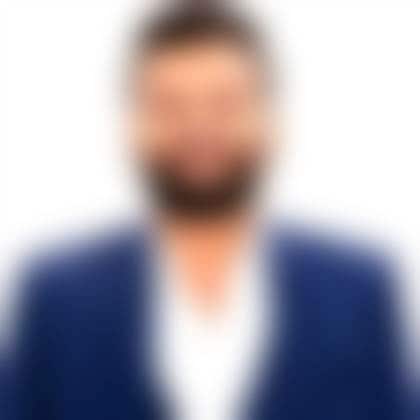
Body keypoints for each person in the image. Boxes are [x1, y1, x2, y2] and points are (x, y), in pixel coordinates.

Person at [12, 3, 406, 420]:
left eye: (224, 104)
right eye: (171, 106)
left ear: (269, 119)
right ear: (133, 124)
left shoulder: (356, 294)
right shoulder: (58, 300)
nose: (198, 126)